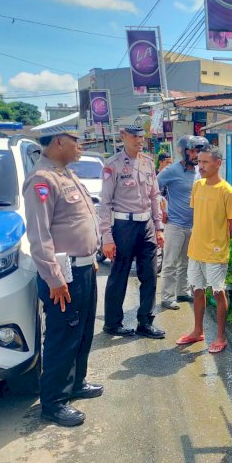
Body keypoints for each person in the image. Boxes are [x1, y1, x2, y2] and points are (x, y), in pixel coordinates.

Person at [23, 112, 104, 427]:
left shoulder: (66, 173)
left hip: (82, 268)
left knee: (82, 331)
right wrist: (55, 280)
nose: (81, 146)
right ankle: (53, 403)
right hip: (63, 275)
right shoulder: (42, 180)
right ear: (59, 142)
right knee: (62, 336)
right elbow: (40, 237)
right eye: (76, 140)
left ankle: (76, 383)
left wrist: (91, 255)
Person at [99, 115, 165, 339]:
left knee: (150, 275)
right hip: (123, 226)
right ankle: (112, 323)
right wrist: (106, 237)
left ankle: (145, 322)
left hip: (146, 224)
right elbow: (105, 203)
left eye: (141, 136)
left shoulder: (147, 162)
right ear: (123, 136)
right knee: (119, 274)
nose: (139, 140)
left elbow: (154, 196)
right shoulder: (113, 165)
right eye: (134, 136)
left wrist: (158, 228)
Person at [176, 146, 232, 354]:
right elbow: (199, 216)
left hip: (216, 253)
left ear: (218, 163)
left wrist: (219, 244)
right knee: (197, 291)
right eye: (199, 161)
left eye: (205, 162)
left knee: (218, 293)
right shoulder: (198, 186)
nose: (199, 166)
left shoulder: (227, 191)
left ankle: (221, 336)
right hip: (196, 249)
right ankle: (197, 331)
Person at [158, 135, 209, 310]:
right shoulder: (171, 171)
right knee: (170, 262)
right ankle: (166, 297)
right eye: (193, 151)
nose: (196, 155)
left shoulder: (199, 171)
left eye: (199, 151)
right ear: (185, 152)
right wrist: (161, 208)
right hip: (175, 224)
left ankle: (181, 291)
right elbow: (153, 190)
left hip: (193, 225)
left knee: (186, 262)